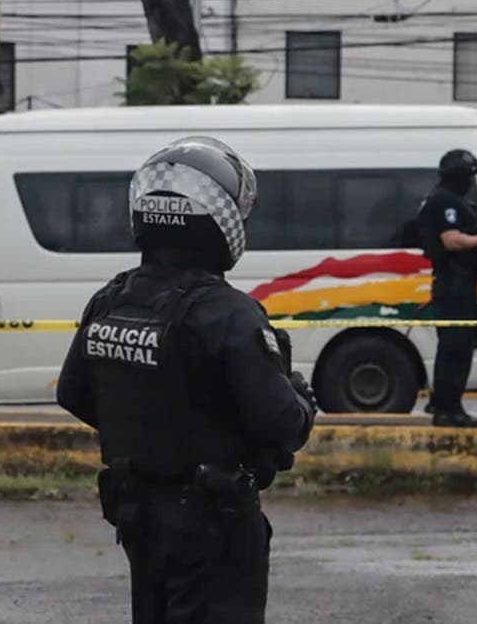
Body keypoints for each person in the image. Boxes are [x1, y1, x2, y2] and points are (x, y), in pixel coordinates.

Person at [56, 136, 317, 624]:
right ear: (220, 218)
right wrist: (301, 395)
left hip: (137, 513)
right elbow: (284, 425)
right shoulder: (229, 313)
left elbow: (73, 393)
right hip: (212, 524)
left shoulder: (110, 299)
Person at [416, 149, 477, 428]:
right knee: (454, 348)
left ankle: (451, 406)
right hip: (453, 285)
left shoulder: (448, 200)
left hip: (458, 284)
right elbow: (451, 241)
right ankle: (447, 410)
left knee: (459, 346)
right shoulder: (444, 201)